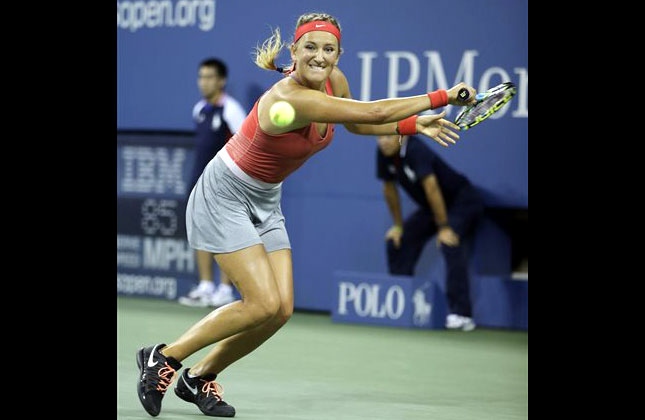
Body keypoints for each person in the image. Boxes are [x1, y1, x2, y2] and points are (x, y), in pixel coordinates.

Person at [136, 12, 476, 418]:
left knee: (280, 310)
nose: (320, 56)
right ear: (293, 52)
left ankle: (199, 376)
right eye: (310, 48)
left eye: (328, 49)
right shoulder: (287, 97)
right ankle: (165, 358)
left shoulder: (336, 82)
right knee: (261, 303)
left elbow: (358, 125)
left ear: (338, 54)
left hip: (265, 197)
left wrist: (411, 124)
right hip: (224, 193)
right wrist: (442, 97)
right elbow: (370, 114)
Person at [376, 134, 484, 331]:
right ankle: (401, 303)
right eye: (379, 137)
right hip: (432, 207)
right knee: (398, 241)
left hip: (462, 200)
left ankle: (462, 314)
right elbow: (389, 188)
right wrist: (398, 226)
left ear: (402, 136)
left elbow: (432, 188)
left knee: (448, 242)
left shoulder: (416, 150)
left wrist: (444, 228)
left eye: (388, 136)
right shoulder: (384, 152)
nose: (382, 141)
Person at [178, 58, 246, 308]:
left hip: (225, 183)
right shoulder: (199, 110)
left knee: (226, 235)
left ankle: (225, 289)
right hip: (199, 180)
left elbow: (245, 144)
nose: (204, 82)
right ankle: (206, 286)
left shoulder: (231, 109)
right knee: (200, 231)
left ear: (221, 81)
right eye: (201, 77)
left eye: (209, 77)